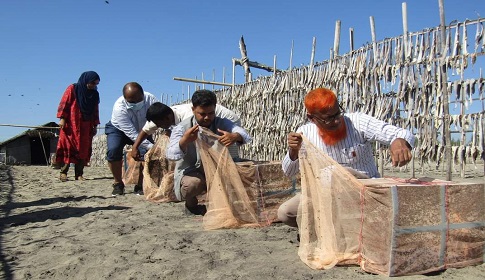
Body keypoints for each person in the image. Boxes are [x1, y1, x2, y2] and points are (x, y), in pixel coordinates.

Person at [277, 87, 415, 227]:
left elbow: (403, 133)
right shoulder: (304, 133)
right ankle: (323, 232)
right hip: (324, 194)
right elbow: (289, 171)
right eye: (328, 119)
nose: (337, 121)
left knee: (332, 173)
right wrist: (294, 151)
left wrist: (399, 142)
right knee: (286, 212)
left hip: (364, 190)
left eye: (338, 114)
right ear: (311, 118)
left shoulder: (358, 122)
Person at [166, 89, 251, 215]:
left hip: (219, 168)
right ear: (193, 109)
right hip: (192, 171)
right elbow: (171, 154)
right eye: (202, 114)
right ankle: (191, 204)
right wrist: (184, 141)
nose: (207, 117)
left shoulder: (221, 122)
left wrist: (235, 136)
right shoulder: (182, 128)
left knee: (248, 170)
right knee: (192, 185)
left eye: (211, 113)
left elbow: (244, 134)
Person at [130, 102, 240, 161]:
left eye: (160, 125)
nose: (159, 127)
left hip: (228, 119)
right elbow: (145, 130)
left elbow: (200, 138)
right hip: (207, 121)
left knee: (226, 155)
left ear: (167, 118)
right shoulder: (160, 116)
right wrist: (135, 147)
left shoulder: (188, 117)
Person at [105, 82, 158, 196]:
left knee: (149, 155)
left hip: (143, 129)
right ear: (125, 98)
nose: (136, 103)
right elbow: (132, 133)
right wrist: (152, 147)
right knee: (113, 151)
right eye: (131, 102)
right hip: (119, 129)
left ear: (143, 94)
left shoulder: (151, 99)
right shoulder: (119, 108)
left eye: (138, 100)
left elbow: (159, 117)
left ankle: (140, 184)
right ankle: (118, 183)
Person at [55, 71, 100, 182]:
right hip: (71, 123)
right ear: (86, 80)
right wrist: (62, 118)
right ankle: (63, 172)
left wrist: (94, 125)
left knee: (83, 149)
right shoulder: (73, 89)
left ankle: (79, 174)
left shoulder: (94, 94)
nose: (94, 86)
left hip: (86, 125)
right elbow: (65, 103)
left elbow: (95, 110)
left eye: (96, 84)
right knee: (68, 147)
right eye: (93, 83)